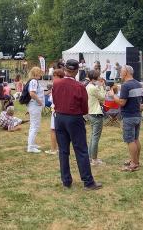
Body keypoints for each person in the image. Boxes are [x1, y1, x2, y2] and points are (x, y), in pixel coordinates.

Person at [52, 59, 102, 190]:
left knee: (63, 151)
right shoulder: (79, 86)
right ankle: (88, 182)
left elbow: (55, 101)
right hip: (74, 118)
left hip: (59, 118)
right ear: (76, 71)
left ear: (65, 70)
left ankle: (66, 181)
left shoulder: (56, 84)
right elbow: (85, 109)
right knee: (81, 150)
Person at [113, 65, 143, 172]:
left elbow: (122, 102)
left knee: (130, 140)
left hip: (129, 116)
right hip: (137, 115)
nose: (120, 73)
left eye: (121, 71)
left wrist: (113, 96)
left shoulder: (126, 85)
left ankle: (134, 164)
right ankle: (135, 160)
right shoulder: (138, 83)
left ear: (126, 73)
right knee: (135, 139)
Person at [86, 70, 106, 166]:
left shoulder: (89, 86)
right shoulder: (93, 88)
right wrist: (102, 86)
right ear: (95, 78)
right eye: (98, 76)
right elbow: (102, 97)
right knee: (95, 138)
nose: (100, 78)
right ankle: (94, 159)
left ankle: (90, 158)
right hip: (96, 113)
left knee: (93, 136)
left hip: (91, 112)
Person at [45, 69, 64, 155]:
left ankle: (53, 149)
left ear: (56, 76)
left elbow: (51, 99)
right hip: (64, 110)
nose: (52, 77)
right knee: (62, 131)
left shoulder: (56, 85)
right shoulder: (65, 84)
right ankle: (61, 148)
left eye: (53, 76)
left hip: (56, 110)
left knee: (53, 130)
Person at [26, 67, 45, 153]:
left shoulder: (34, 81)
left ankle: (32, 144)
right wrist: (39, 101)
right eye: (39, 73)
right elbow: (32, 93)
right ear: (36, 73)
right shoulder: (33, 81)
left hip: (34, 105)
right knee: (35, 126)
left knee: (33, 125)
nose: (41, 74)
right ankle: (30, 147)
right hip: (35, 105)